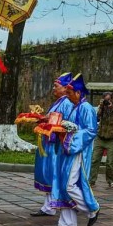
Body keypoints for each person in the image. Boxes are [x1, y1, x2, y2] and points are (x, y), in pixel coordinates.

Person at [49, 73, 100, 226]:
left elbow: (91, 131)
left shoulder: (86, 108)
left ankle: (92, 209)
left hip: (78, 150)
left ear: (78, 93)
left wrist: (73, 135)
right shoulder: (75, 107)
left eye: (70, 93)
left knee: (70, 185)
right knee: (64, 183)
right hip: (68, 148)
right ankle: (67, 221)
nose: (68, 96)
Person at [30, 73, 78, 217]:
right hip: (49, 141)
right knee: (46, 174)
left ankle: (57, 205)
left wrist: (47, 121)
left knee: (52, 174)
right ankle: (48, 205)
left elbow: (64, 123)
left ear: (65, 88)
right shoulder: (59, 102)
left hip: (55, 144)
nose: (53, 89)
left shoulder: (67, 103)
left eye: (56, 86)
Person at [90, 92, 113, 188]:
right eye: (106, 100)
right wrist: (101, 106)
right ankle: (91, 181)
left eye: (109, 100)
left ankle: (111, 181)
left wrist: (112, 108)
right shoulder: (101, 105)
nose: (107, 102)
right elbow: (96, 117)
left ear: (112, 99)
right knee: (94, 160)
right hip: (100, 136)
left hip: (112, 137)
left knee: (110, 162)